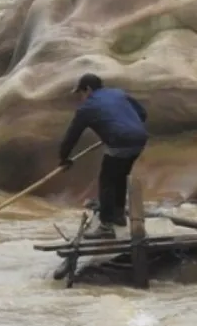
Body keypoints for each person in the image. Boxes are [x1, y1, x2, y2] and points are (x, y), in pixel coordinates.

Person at [58, 73, 148, 239]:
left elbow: (72, 136)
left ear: (88, 89)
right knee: (120, 176)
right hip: (140, 140)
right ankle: (118, 215)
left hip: (120, 142)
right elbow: (142, 114)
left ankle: (106, 225)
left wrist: (64, 158)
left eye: (81, 93)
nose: (81, 97)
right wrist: (124, 130)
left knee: (107, 180)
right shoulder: (118, 93)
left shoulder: (86, 108)